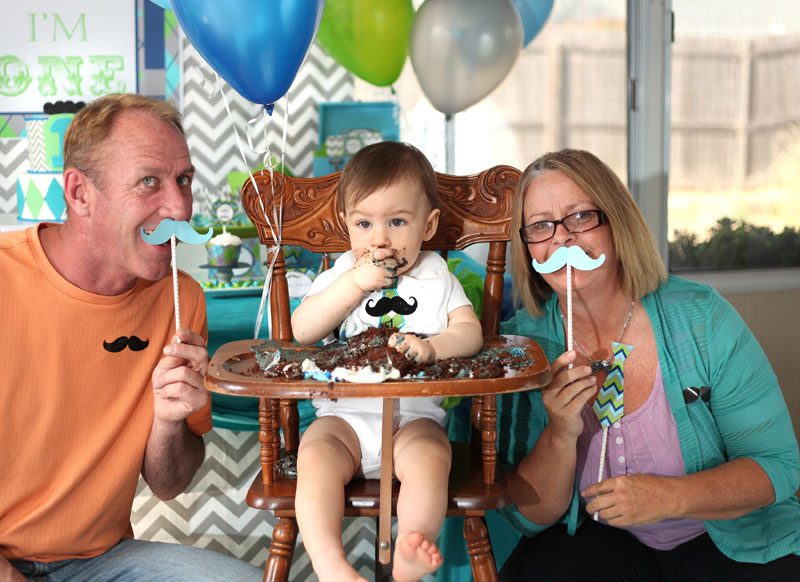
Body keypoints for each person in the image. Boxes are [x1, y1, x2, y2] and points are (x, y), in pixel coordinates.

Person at [495, 148, 800, 581]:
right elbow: (529, 517)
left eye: (580, 216)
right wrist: (560, 433)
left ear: (617, 222)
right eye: (541, 225)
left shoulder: (702, 317)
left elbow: (778, 468)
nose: (562, 238)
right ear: (527, 248)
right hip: (596, 541)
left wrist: (672, 497)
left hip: (727, 536)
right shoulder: (520, 346)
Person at [0, 94, 262, 582]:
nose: (179, 207)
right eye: (149, 182)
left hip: (99, 560)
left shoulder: (181, 298)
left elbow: (169, 484)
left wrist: (168, 422)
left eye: (183, 180)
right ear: (79, 193)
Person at [290, 141, 484, 582]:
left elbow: (469, 332)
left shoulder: (437, 276)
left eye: (397, 222)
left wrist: (435, 347)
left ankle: (411, 548)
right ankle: (330, 563)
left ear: (427, 225)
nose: (379, 239)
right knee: (314, 456)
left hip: (413, 421)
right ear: (347, 224)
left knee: (432, 457)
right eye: (364, 223)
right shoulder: (342, 273)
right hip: (344, 420)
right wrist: (355, 283)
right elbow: (302, 330)